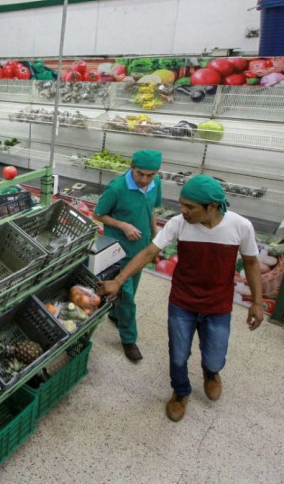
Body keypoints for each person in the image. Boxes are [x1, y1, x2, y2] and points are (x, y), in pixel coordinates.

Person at [98, 174, 263, 422]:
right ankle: (180, 392)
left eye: (190, 207)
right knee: (177, 354)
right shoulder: (179, 224)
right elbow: (149, 252)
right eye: (182, 204)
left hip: (218, 305)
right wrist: (119, 281)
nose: (183, 211)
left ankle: (211, 372)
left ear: (213, 207)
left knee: (215, 354)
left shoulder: (240, 226)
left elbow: (251, 263)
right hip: (182, 301)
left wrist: (257, 303)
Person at [93, 149, 163, 362]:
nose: (144, 180)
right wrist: (122, 225)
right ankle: (129, 340)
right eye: (140, 173)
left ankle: (115, 315)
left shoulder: (155, 184)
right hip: (119, 251)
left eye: (150, 175)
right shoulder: (117, 188)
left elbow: (151, 210)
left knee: (130, 290)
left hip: (141, 249)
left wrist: (155, 238)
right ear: (131, 167)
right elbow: (97, 213)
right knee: (129, 297)